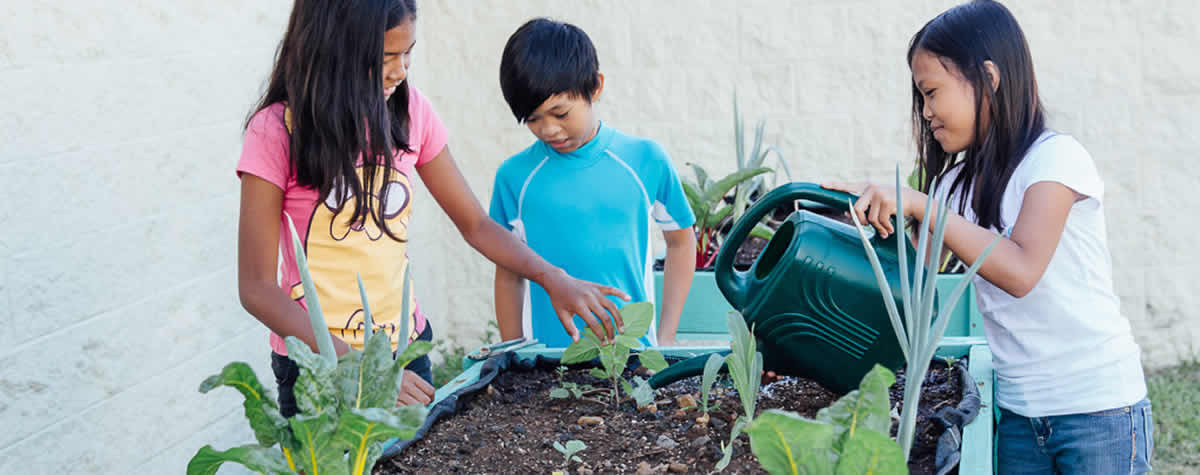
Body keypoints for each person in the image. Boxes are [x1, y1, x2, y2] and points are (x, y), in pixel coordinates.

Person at [236, 0, 630, 416]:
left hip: (406, 354)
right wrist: (363, 372)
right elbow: (257, 289)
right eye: (386, 57)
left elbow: (475, 224)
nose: (400, 70)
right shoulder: (277, 130)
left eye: (408, 53)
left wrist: (552, 277)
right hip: (319, 369)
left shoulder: (409, 111)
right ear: (335, 48)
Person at [825, 1, 1153, 472]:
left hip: (1097, 409)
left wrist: (925, 205)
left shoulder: (1056, 159)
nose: (926, 111)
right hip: (1019, 414)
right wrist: (861, 219)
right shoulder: (952, 186)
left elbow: (1021, 271)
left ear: (989, 79)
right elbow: (908, 282)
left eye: (932, 91)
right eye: (920, 97)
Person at [489, 18, 697, 348]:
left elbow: (681, 242)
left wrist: (667, 336)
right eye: (532, 119)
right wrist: (512, 353)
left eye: (560, 113)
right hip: (547, 365)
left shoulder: (645, 159)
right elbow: (508, 274)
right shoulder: (514, 178)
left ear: (595, 87)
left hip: (633, 358)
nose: (549, 130)